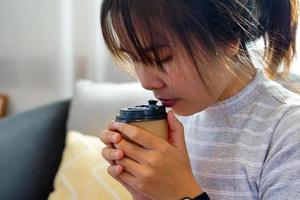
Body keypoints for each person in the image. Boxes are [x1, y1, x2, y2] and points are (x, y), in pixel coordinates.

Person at [99, 0, 300, 199]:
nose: (145, 82)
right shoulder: (176, 123)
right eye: (134, 59)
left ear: (228, 37)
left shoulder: (288, 130)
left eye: (162, 58)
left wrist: (180, 194)